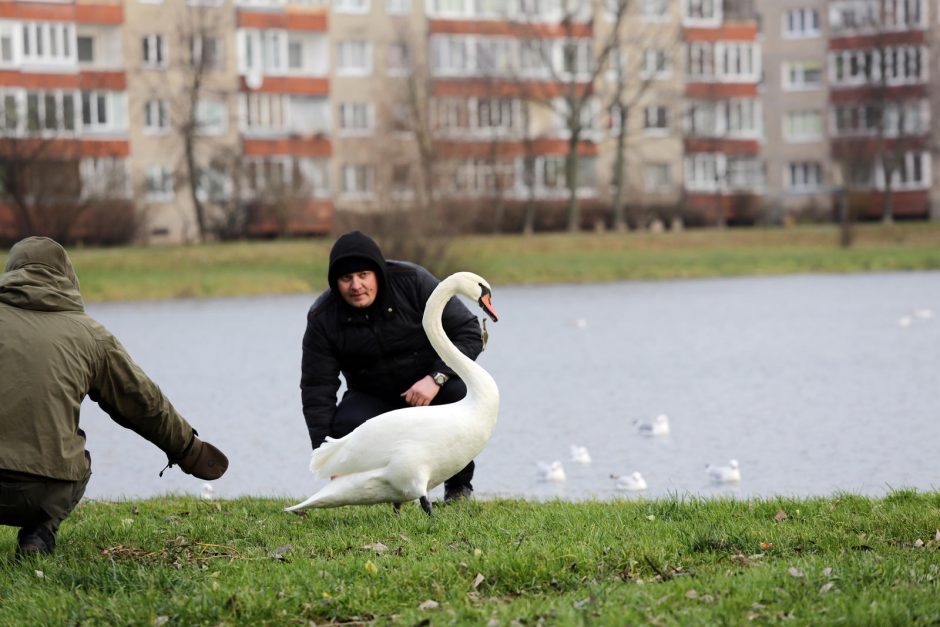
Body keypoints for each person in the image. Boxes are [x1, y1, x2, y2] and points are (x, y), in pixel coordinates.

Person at [0, 236, 228, 558]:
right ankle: (40, 533)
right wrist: (189, 450)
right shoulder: (89, 335)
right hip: (45, 489)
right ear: (68, 278)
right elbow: (143, 403)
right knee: (75, 452)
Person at [301, 230, 484, 503]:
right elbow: (317, 389)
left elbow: (469, 331)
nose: (356, 286)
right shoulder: (322, 317)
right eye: (346, 278)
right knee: (345, 426)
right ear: (335, 282)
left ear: (378, 273)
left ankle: (458, 489)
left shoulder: (414, 282)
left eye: (363, 275)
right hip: (372, 395)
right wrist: (328, 457)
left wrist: (437, 378)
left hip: (429, 386)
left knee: (459, 399)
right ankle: (384, 493)